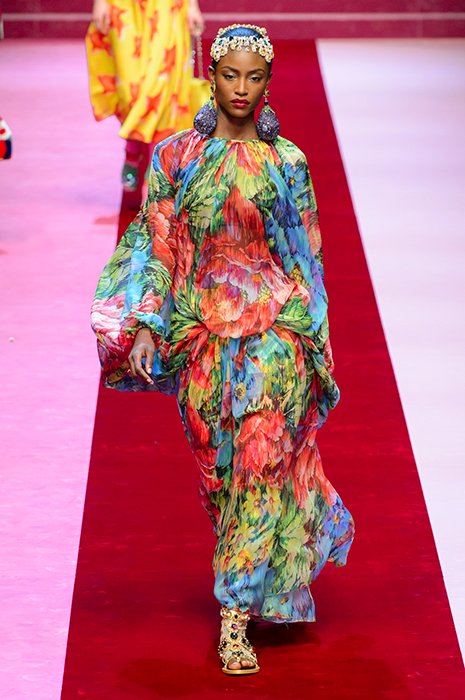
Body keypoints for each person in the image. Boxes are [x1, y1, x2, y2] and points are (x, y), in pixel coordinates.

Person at [91, 24, 355, 675]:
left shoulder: (287, 162)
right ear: (210, 74)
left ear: (268, 83)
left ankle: (233, 621)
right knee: (221, 480)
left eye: (253, 77)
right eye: (230, 75)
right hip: (202, 342)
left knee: (259, 471)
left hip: (274, 341)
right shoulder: (175, 157)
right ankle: (255, 577)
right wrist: (145, 322)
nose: (241, 88)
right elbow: (154, 242)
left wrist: (313, 346)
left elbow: (308, 259)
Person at [86, 0, 204, 198]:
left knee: (161, 83)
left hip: (167, 7)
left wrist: (192, 5)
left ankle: (156, 162)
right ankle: (132, 147)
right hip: (124, 6)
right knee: (129, 89)